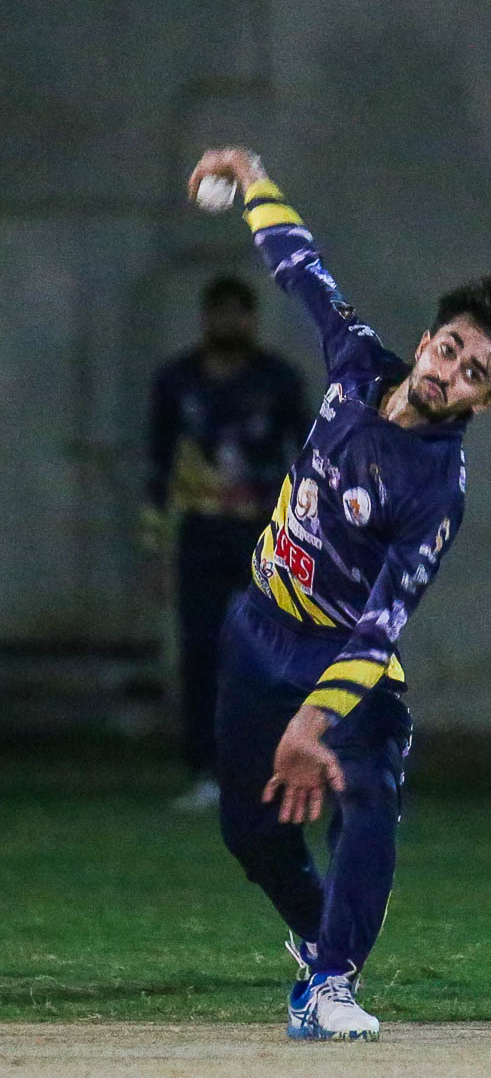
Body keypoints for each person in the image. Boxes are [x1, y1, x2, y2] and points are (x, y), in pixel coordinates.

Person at [187, 146, 491, 1038]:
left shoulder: (435, 490)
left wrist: (312, 722)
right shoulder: (358, 364)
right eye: (450, 348)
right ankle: (318, 938)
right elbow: (298, 266)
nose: (449, 370)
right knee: (249, 831)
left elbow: (378, 627)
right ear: (428, 338)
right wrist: (253, 178)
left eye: (474, 373)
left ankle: (332, 987)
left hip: (344, 658)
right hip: (257, 627)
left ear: (484, 401)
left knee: (367, 796)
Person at [141, 274, 311, 811]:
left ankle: (272, 766)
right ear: (205, 318)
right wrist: (156, 548)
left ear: (252, 319)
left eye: (239, 313)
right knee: (200, 651)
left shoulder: (278, 380)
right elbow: (157, 467)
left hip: (263, 534)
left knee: (268, 652)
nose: (229, 323)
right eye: (220, 312)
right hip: (201, 533)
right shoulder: (178, 382)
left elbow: (308, 460)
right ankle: (207, 771)